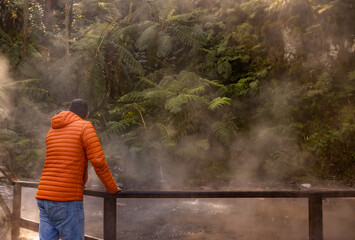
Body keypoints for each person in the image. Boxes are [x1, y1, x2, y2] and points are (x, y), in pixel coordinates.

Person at [36, 99, 121, 240]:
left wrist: (81, 182)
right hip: (66, 198)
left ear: (69, 110)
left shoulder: (52, 130)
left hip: (44, 197)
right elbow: (98, 161)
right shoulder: (84, 127)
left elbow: (62, 160)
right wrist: (112, 188)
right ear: (86, 115)